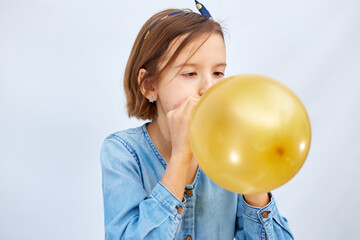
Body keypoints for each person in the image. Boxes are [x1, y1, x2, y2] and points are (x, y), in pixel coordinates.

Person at [101, 1, 294, 239]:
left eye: (218, 73)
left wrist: (253, 177)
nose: (208, 88)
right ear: (149, 85)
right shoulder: (123, 153)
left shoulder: (230, 154)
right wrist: (181, 157)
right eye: (190, 73)